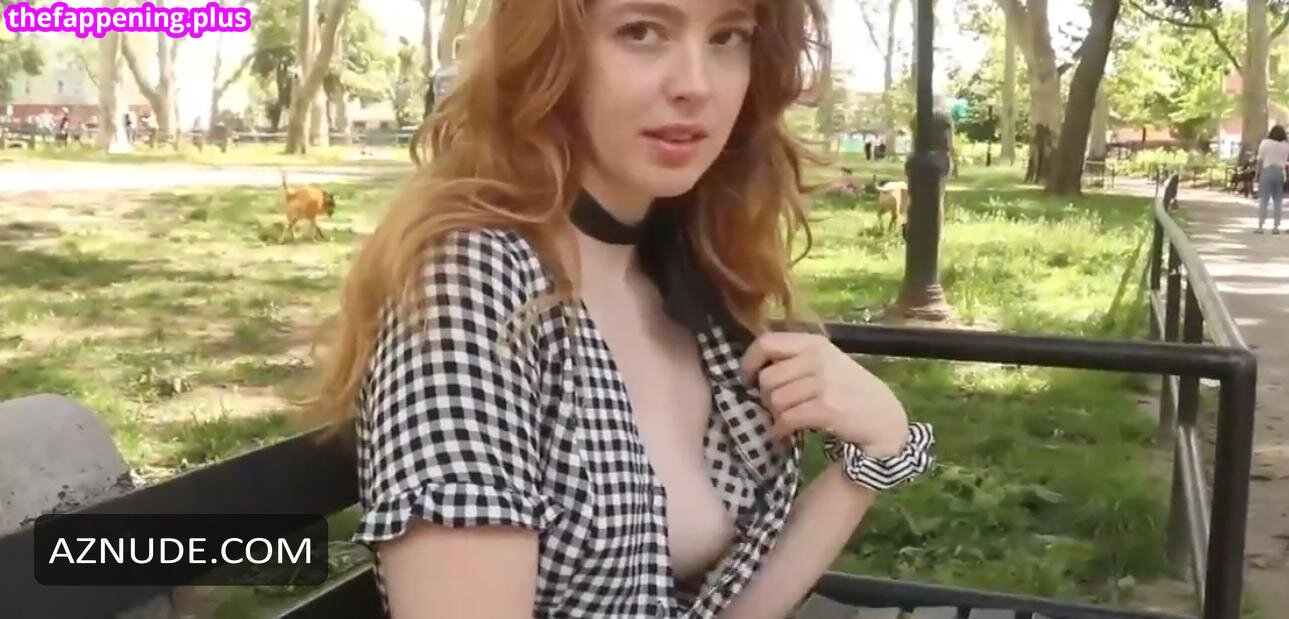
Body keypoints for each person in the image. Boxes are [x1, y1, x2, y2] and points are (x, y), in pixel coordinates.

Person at [304, 1, 936, 617]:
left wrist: (877, 451)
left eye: (727, 37)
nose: (696, 85)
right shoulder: (470, 289)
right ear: (546, 53)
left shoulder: (682, 270)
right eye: (641, 30)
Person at [1255, 124, 1289, 234]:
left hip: (1267, 171)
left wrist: (1257, 175)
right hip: (1280, 173)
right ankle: (1276, 227)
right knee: (1278, 201)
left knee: (1264, 200)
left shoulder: (1265, 143)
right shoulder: (1286, 145)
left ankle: (1260, 226)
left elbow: (1260, 160)